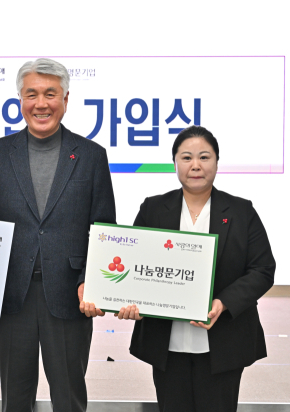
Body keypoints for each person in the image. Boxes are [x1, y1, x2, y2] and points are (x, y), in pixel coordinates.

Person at [0, 58, 116, 411]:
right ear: (20, 100)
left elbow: (103, 229)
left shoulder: (92, 156)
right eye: (31, 94)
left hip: (70, 294)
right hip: (11, 296)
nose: (41, 104)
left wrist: (90, 282)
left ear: (65, 99)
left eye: (50, 94)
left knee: (69, 398)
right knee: (14, 399)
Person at [116, 126, 275, 412]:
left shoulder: (241, 211)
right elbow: (134, 265)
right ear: (175, 162)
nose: (196, 165)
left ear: (217, 162)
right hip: (166, 344)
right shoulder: (153, 208)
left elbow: (262, 269)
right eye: (187, 157)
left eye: (204, 157)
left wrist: (223, 302)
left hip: (224, 342)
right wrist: (129, 300)